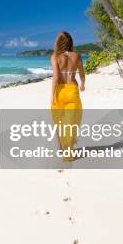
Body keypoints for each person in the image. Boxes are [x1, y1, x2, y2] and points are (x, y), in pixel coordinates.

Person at [50, 31, 85, 161]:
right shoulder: (77, 56)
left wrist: (52, 95)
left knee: (59, 121)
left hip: (60, 91)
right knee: (71, 122)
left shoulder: (55, 57)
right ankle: (69, 152)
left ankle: (62, 148)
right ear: (71, 43)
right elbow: (82, 73)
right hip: (72, 90)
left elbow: (56, 77)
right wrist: (83, 84)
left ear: (58, 43)